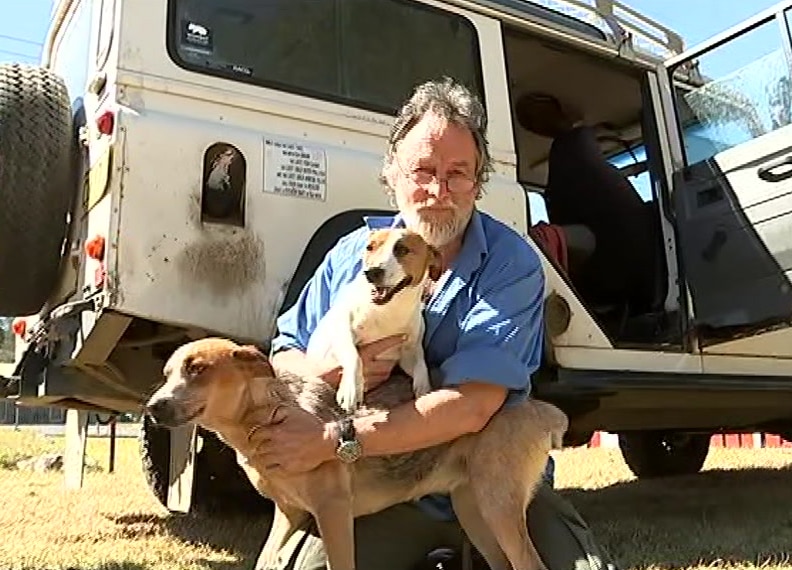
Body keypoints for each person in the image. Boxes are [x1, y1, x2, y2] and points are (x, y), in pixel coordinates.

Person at [246, 77, 619, 570]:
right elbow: (284, 353)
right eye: (423, 170)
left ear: (478, 181)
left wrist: (334, 439)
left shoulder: (510, 263)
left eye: (458, 173)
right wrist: (332, 373)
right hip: (374, 486)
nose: (439, 191)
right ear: (392, 175)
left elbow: (472, 407)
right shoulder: (349, 255)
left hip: (486, 472)